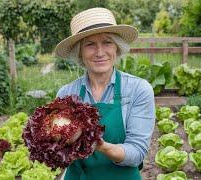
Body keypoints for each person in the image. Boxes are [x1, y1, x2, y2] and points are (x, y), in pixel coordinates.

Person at [55, 7, 155, 180]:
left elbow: (137, 152)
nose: (100, 52)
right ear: (80, 52)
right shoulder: (66, 93)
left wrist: (102, 146)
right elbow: (60, 149)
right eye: (90, 44)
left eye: (107, 42)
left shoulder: (138, 89)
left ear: (117, 47)